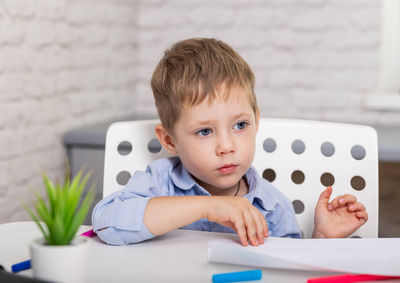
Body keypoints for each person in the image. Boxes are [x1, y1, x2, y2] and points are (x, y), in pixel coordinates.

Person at [92, 38, 368, 246]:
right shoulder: (160, 182)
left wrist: (323, 238)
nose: (226, 146)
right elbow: (105, 224)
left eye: (240, 125)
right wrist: (208, 207)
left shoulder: (271, 207)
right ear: (170, 140)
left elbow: (290, 270)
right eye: (204, 131)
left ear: (256, 122)